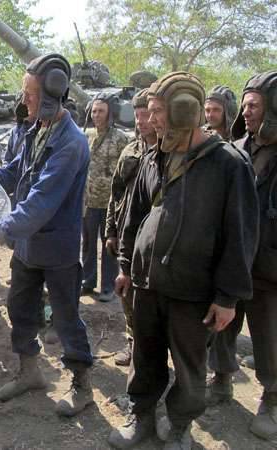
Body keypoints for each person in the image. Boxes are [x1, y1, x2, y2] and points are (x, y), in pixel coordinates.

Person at [109, 72, 258, 450]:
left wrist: (227, 298)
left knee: (190, 369)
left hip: (194, 291)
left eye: (157, 111)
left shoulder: (229, 164)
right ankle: (141, 416)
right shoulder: (155, 155)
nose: (150, 118)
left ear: (183, 111)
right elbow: (134, 215)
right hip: (147, 284)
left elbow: (241, 236)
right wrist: (126, 265)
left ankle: (178, 427)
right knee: (145, 357)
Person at [0, 53, 94, 417]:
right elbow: (13, 172)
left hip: (57, 250)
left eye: (31, 94)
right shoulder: (37, 130)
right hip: (27, 246)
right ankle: (30, 372)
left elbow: (40, 203)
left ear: (53, 94)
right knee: (20, 309)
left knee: (66, 318)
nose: (24, 102)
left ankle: (82, 386)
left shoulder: (71, 143)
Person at [209, 71, 277, 441]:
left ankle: (273, 398)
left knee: (268, 336)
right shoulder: (235, 149)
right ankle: (221, 380)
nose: (247, 112)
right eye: (245, 105)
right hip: (233, 261)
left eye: (255, 105)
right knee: (222, 326)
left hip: (268, 268)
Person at [105, 88, 156, 366]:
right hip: (127, 237)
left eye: (146, 115)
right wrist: (110, 231)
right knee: (127, 294)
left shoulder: (168, 153)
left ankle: (151, 350)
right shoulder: (129, 151)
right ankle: (133, 343)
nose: (141, 121)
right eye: (137, 116)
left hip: (155, 240)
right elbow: (115, 194)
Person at [82, 92, 129, 301]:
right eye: (94, 111)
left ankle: (109, 287)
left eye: (101, 111)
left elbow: (126, 171)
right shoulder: (87, 135)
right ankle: (88, 280)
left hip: (110, 203)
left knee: (109, 244)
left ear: (109, 113)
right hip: (89, 201)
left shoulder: (120, 139)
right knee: (88, 243)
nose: (96, 115)